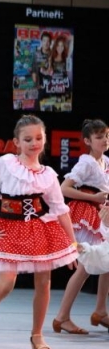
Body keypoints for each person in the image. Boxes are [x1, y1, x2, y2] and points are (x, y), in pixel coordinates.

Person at [0, 115, 78, 349]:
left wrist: (72, 244)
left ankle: (37, 335)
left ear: (45, 139)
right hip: (9, 227)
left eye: (38, 138)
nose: (34, 143)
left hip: (38, 228)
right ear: (17, 142)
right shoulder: (6, 163)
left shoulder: (48, 174)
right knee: (5, 284)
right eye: (28, 139)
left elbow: (60, 210)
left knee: (43, 283)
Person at [52, 119, 109, 334]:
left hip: (100, 214)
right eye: (99, 137)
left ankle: (100, 310)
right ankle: (62, 317)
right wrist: (94, 197)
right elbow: (64, 188)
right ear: (87, 141)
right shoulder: (86, 163)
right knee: (85, 266)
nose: (105, 140)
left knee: (107, 261)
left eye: (107, 136)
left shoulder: (105, 161)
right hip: (86, 214)